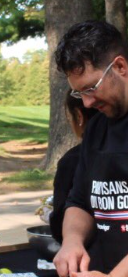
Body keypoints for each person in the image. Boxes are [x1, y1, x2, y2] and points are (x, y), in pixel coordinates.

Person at [53, 20, 128, 277]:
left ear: (120, 67)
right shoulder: (97, 129)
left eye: (90, 88)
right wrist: (72, 241)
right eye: (78, 92)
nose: (85, 103)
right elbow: (80, 201)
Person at [49, 90, 97, 243]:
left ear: (79, 116)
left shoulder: (73, 160)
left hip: (90, 258)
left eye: (70, 117)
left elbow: (59, 224)